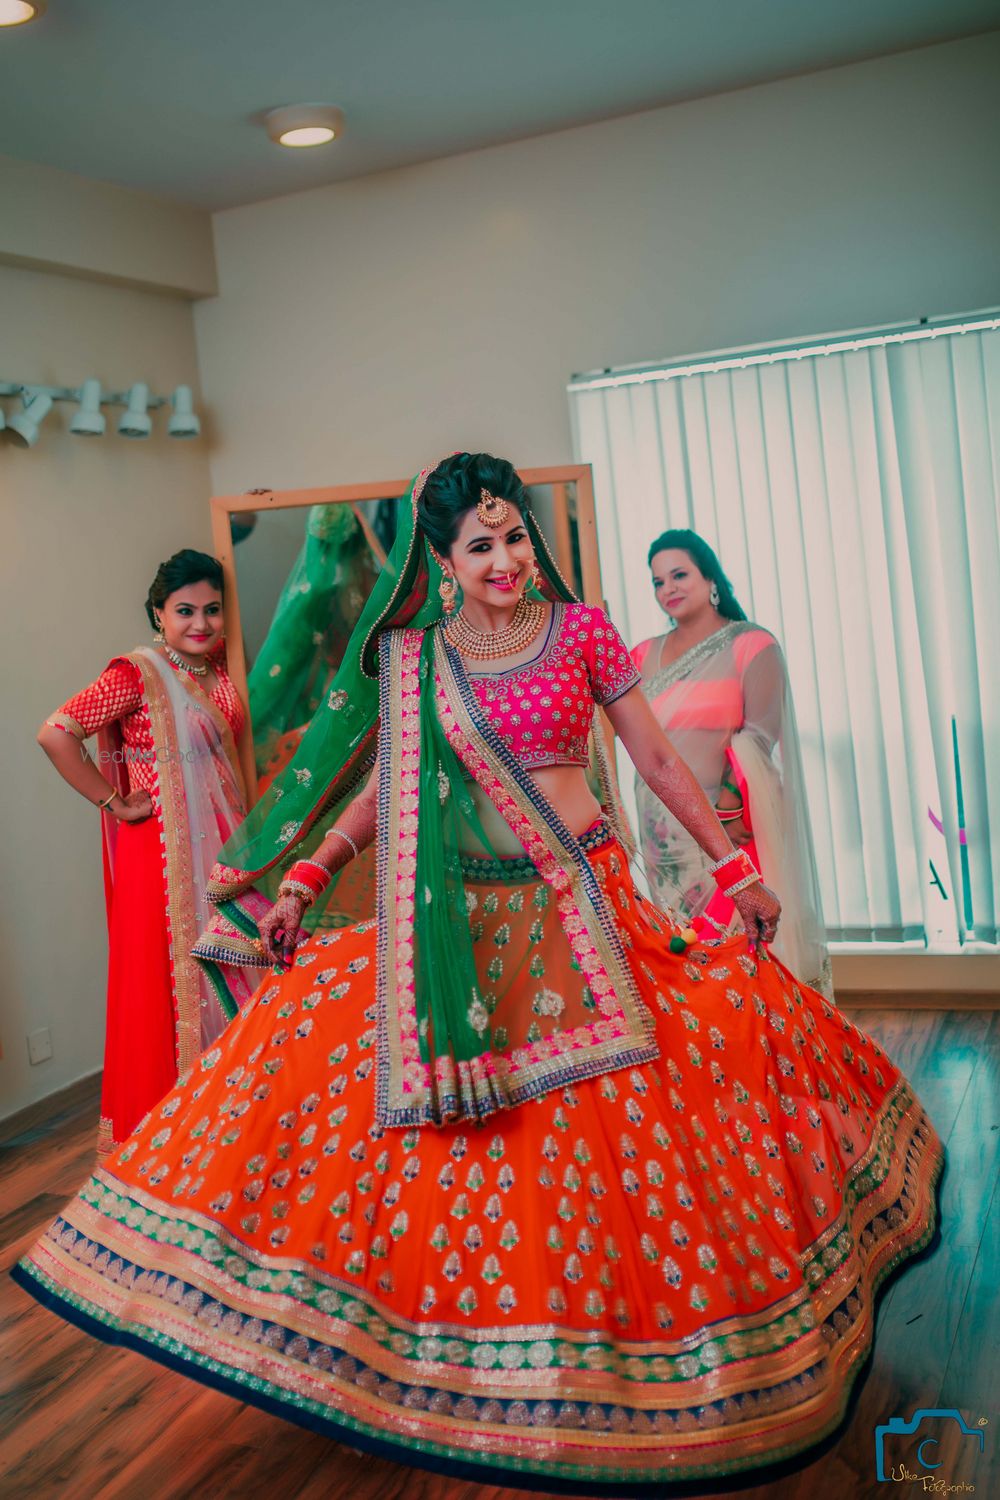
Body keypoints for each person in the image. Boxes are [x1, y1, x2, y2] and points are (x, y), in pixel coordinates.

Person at [16, 458, 941, 1493]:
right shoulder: (417, 659)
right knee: (399, 1106)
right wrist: (310, 870)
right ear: (443, 562)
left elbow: (658, 763)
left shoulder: (585, 632)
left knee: (630, 1126)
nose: (504, 561)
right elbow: (382, 787)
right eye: (479, 546)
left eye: (512, 538)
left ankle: (613, 1356)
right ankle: (442, 1360)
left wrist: (736, 869)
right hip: (460, 919)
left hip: (586, 908)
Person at [35, 549, 259, 1157]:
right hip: (159, 857)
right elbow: (56, 733)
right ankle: (165, 1135)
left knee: (235, 966)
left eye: (212, 610)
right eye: (185, 610)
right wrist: (113, 799)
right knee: (162, 987)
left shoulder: (217, 678)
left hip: (223, 849)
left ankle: (229, 1117)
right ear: (159, 614)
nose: (202, 623)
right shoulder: (138, 673)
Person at [632, 529, 831, 994]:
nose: (669, 589)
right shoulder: (641, 655)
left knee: (744, 943)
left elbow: (761, 733)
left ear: (710, 579)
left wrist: (730, 807)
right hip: (662, 826)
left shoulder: (751, 644)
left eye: (680, 575)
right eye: (658, 581)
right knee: (687, 945)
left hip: (732, 819)